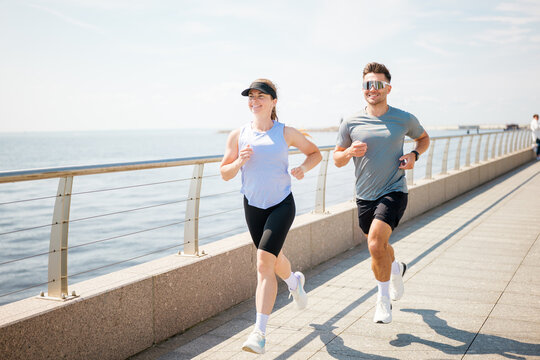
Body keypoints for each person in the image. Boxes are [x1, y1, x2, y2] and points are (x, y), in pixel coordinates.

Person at [220, 78, 322, 354]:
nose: (254, 101)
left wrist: (302, 168)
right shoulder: (237, 135)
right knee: (272, 259)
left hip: (281, 205)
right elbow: (224, 173)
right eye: (251, 97)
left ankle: (259, 333)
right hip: (252, 206)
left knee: (264, 262)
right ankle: (294, 281)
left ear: (273, 101)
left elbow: (315, 154)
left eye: (260, 96)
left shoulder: (285, 132)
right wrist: (239, 162)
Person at [333, 62, 430, 324]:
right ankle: (396, 269)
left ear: (388, 88)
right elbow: (337, 159)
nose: (372, 89)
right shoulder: (351, 121)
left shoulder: (403, 118)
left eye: (377, 84)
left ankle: (382, 301)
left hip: (394, 190)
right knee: (381, 248)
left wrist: (413, 154)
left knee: (375, 243)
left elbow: (424, 138)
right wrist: (349, 152)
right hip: (364, 195)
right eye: (367, 85)